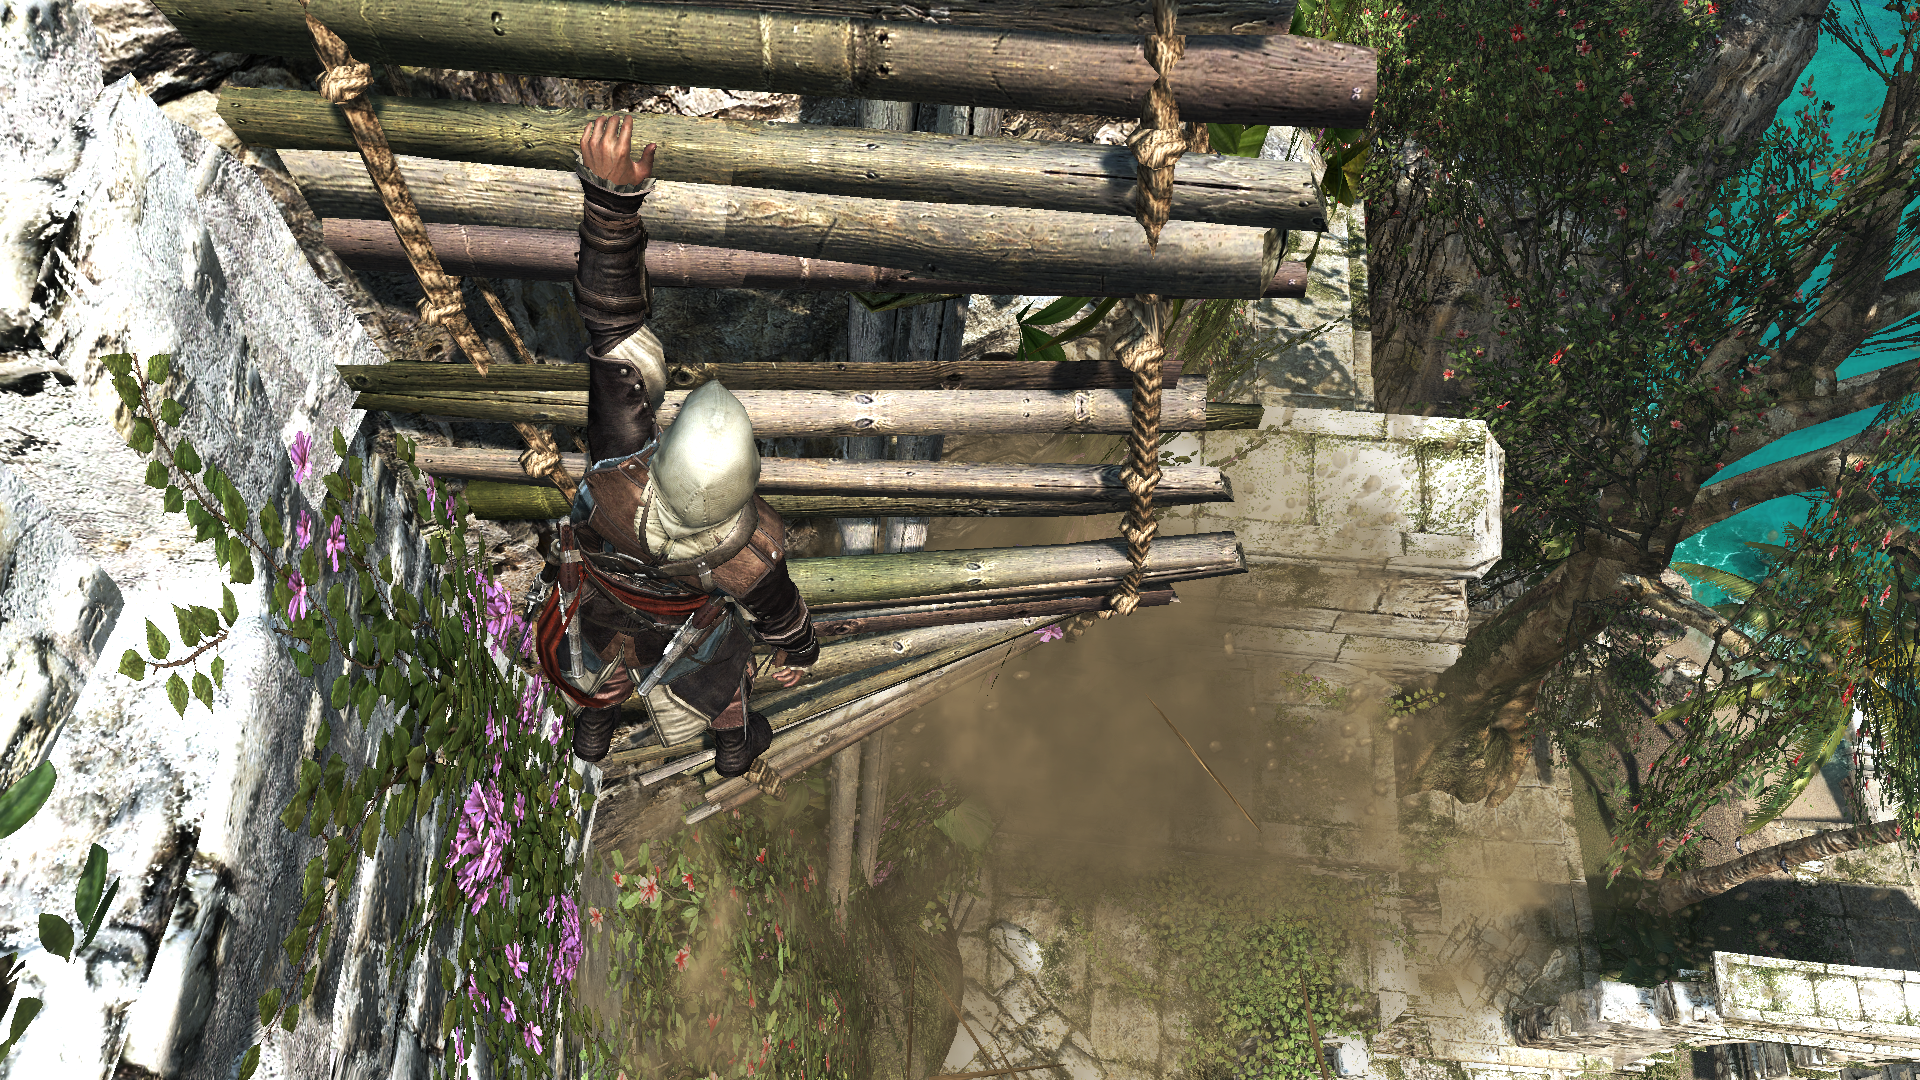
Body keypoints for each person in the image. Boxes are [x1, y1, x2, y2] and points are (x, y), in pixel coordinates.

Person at [534, 114, 818, 776]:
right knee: (721, 667)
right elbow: (781, 619)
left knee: (600, 649)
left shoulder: (619, 472)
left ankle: (594, 726)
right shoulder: (749, 557)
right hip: (680, 630)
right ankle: (732, 744)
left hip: (599, 603)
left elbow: (613, 326)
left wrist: (611, 207)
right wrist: (799, 653)